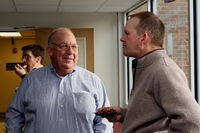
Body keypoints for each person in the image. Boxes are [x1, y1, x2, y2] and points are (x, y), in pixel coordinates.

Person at [98, 11, 200, 132]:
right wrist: (124, 114)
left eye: (127, 33)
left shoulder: (164, 71)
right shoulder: (147, 67)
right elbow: (153, 116)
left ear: (143, 38)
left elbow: (192, 121)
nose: (122, 38)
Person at [5, 27, 113, 133]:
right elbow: (13, 115)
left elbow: (105, 122)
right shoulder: (30, 81)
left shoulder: (93, 82)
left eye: (74, 47)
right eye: (63, 46)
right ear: (50, 50)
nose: (70, 51)